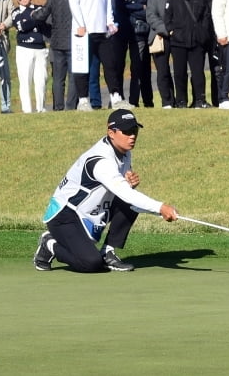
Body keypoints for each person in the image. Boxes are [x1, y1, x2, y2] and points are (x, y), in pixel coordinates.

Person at [33, 109, 178, 273]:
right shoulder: (101, 161)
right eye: (127, 131)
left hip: (90, 211)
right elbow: (126, 193)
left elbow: (122, 190)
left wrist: (127, 184)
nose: (132, 136)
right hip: (65, 215)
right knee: (91, 263)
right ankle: (50, 244)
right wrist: (161, 208)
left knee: (130, 203)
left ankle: (108, 252)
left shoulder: (124, 152)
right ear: (111, 132)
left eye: (135, 131)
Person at [66, 0, 121, 111]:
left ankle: (116, 97)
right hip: (84, 31)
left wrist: (109, 21)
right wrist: (81, 25)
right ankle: (83, 100)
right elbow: (73, 3)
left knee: (110, 64)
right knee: (83, 67)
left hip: (101, 29)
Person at [166, 0, 212, 109]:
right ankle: (181, 101)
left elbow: (206, 17)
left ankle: (200, 100)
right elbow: (168, 19)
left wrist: (202, 34)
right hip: (178, 42)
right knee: (179, 73)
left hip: (197, 42)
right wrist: (173, 32)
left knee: (198, 73)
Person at [117, 0, 155, 108]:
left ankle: (134, 100)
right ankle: (117, 98)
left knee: (138, 67)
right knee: (118, 66)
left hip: (140, 32)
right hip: (122, 31)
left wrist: (131, 6)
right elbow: (119, 5)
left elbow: (149, 12)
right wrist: (140, 6)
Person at [34, 0, 75, 111]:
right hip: (73, 41)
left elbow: (41, 15)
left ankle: (58, 106)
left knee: (58, 78)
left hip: (56, 42)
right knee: (73, 76)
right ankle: (71, 106)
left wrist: (33, 14)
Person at [11, 0, 49, 113]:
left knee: (41, 79)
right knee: (25, 80)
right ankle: (27, 110)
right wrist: (36, 18)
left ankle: (41, 107)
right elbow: (21, 26)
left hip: (40, 48)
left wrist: (32, 18)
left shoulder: (39, 8)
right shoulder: (16, 11)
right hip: (24, 49)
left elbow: (46, 21)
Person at [145, 0, 177, 108]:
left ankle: (180, 100)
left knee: (180, 71)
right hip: (160, 37)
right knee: (163, 71)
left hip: (179, 37)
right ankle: (167, 101)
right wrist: (166, 30)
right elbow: (151, 16)